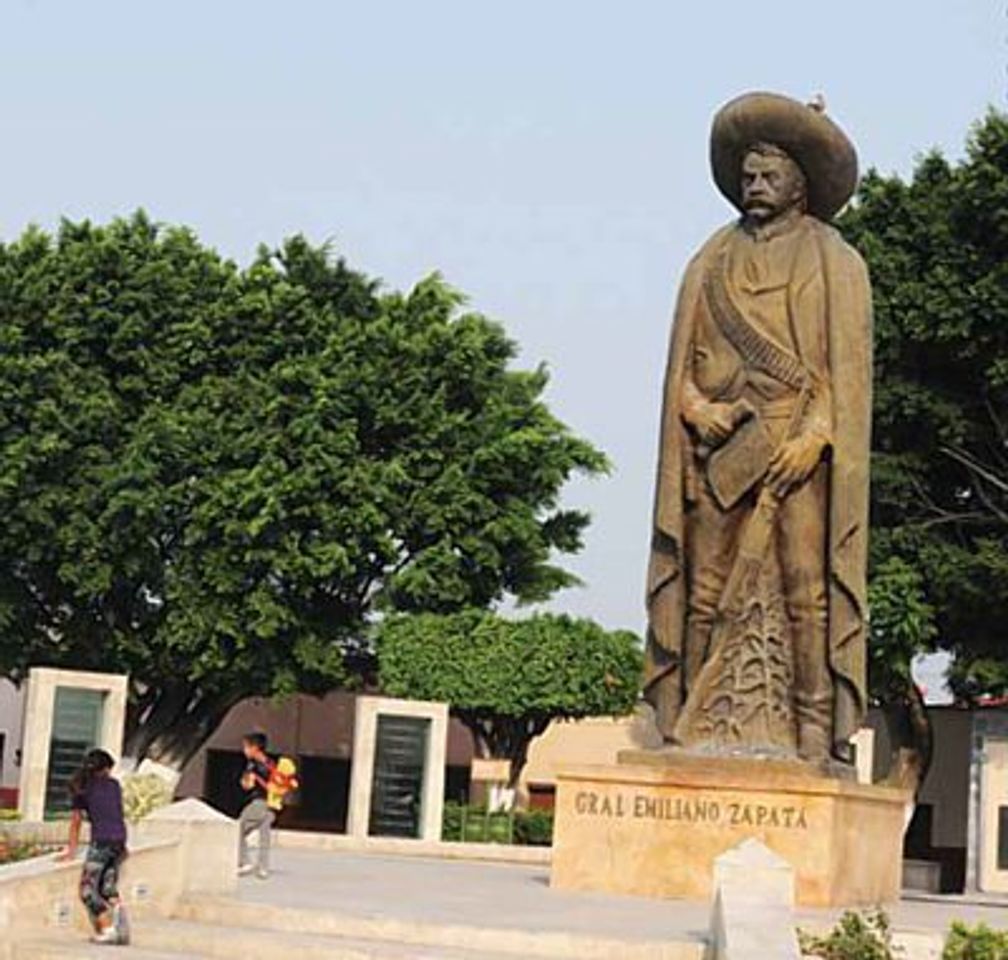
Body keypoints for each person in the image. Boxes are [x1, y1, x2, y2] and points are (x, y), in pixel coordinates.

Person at [644, 91, 872, 765]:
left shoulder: (834, 261)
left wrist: (817, 435)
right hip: (723, 452)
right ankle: (686, 716)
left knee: (807, 591)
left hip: (796, 444)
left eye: (770, 174)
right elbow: (679, 376)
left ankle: (812, 728)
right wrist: (697, 409)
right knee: (703, 589)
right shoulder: (710, 260)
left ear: (800, 183)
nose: (755, 185)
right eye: (748, 175)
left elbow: (845, 374)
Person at [59, 748, 130, 946]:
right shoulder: (114, 785)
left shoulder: (82, 788)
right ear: (105, 768)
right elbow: (117, 813)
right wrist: (123, 845)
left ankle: (108, 929)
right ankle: (119, 921)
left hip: (102, 841)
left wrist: (71, 850)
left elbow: (76, 821)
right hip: (118, 840)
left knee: (87, 891)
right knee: (108, 889)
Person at [238, 732, 274, 879]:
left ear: (255, 748)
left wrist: (245, 781)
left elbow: (248, 785)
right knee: (264, 837)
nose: (244, 751)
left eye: (246, 747)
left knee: (237, 830)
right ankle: (263, 868)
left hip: (258, 803)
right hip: (273, 804)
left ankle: (245, 861)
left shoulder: (253, 765)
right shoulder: (272, 763)